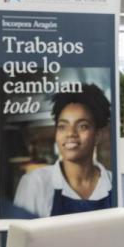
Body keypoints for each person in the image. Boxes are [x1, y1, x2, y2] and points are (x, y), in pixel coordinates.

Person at [13, 84, 115, 217]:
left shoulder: (113, 182)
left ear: (97, 135)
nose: (70, 133)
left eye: (82, 126)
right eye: (62, 126)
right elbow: (20, 237)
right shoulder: (35, 183)